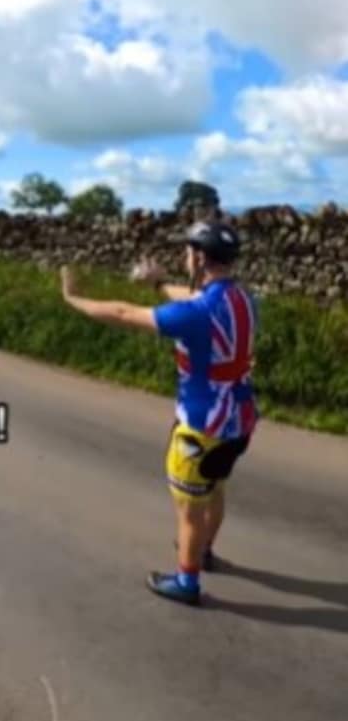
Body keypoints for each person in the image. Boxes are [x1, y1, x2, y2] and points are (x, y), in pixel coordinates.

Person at [58, 219, 258, 606]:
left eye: (187, 252)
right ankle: (205, 552)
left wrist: (73, 299)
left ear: (199, 257)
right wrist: (157, 282)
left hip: (201, 425)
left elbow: (122, 312)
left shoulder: (196, 314)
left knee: (189, 510)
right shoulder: (241, 298)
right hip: (239, 418)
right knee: (215, 489)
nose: (184, 258)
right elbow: (189, 295)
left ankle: (187, 582)